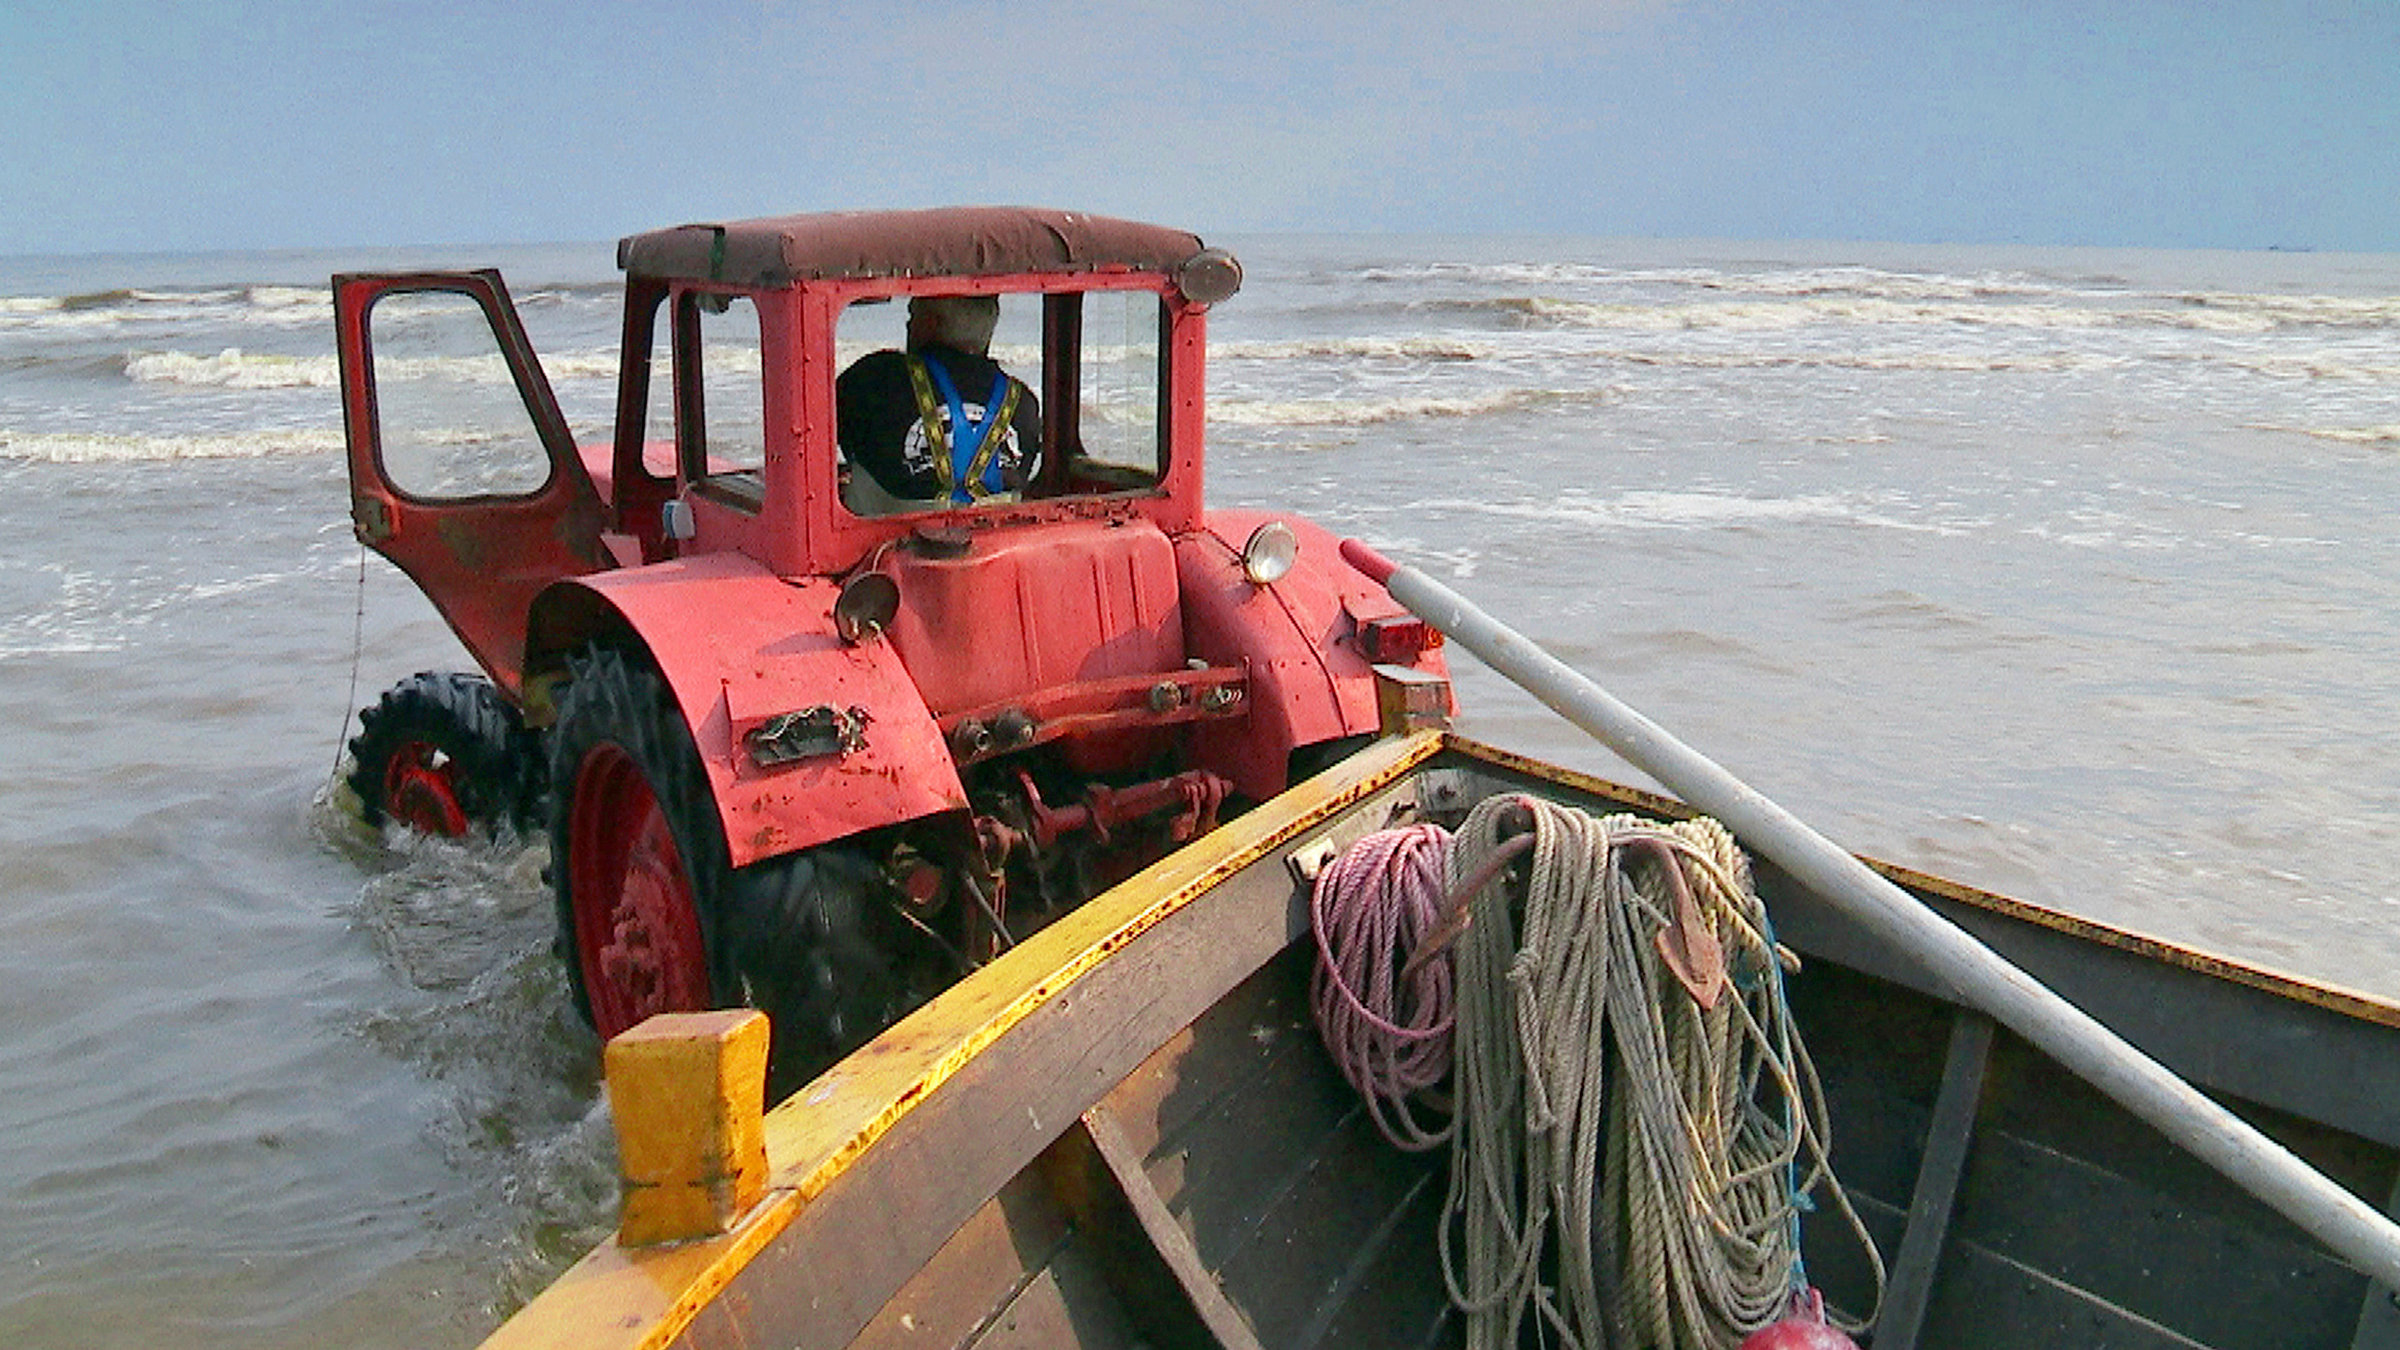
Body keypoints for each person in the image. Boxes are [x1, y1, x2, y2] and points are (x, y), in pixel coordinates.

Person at [837, 294, 1042, 512]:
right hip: (997, 536)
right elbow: (1022, 469)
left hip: (884, 538)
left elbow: (831, 431)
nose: (908, 324)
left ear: (930, 322)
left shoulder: (876, 378)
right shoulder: (1023, 402)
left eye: (912, 315)